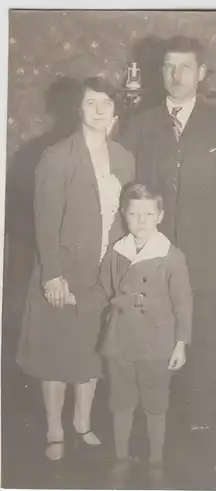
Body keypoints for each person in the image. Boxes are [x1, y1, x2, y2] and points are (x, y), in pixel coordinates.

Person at [119, 36, 216, 427]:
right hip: (152, 252)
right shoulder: (141, 124)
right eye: (168, 66)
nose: (176, 74)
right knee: (151, 331)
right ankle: (153, 416)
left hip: (208, 256)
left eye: (184, 66)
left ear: (201, 73)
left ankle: (199, 419)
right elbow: (123, 180)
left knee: (205, 332)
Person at [16, 76, 135, 461]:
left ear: (115, 112)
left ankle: (82, 424)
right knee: (56, 354)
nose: (99, 111)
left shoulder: (123, 158)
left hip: (102, 273)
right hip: (63, 272)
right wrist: (52, 275)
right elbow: (44, 221)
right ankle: (54, 430)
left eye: (106, 103)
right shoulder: (58, 156)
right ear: (78, 110)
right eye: (91, 103)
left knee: (89, 354)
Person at [86, 182, 193, 486]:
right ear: (124, 215)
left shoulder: (171, 256)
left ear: (160, 215)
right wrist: (75, 300)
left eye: (148, 213)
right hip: (120, 339)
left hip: (157, 342)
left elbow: (184, 302)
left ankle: (156, 461)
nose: (141, 220)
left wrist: (181, 343)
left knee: (155, 400)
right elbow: (102, 290)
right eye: (134, 214)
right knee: (121, 399)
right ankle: (121, 458)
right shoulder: (116, 252)